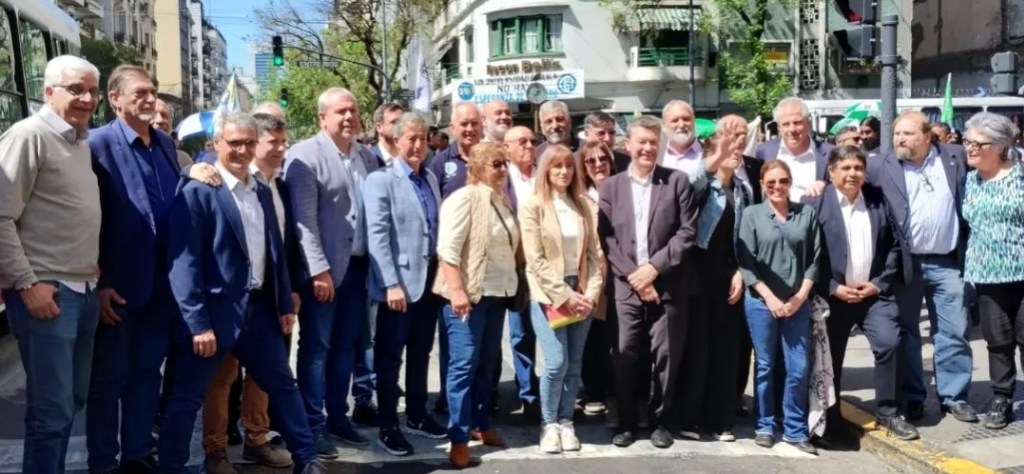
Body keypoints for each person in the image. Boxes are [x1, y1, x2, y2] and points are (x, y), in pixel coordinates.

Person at [160, 112, 325, 474]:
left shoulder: (261, 191)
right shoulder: (199, 192)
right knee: (186, 397)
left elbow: (274, 251)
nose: (242, 150)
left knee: (283, 386)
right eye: (234, 143)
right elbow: (184, 263)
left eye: (249, 143)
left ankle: (306, 459)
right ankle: (172, 467)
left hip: (259, 310)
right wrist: (197, 323)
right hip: (213, 315)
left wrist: (283, 302)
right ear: (216, 144)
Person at [0, 55, 102, 474]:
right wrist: (28, 283)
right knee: (52, 412)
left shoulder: (80, 141)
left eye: (92, 91)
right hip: (48, 293)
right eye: (76, 89)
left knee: (69, 402)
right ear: (48, 91)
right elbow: (1, 215)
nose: (87, 99)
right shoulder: (28, 136)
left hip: (84, 289)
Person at [86, 65, 181, 473]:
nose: (150, 99)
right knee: (109, 380)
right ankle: (103, 462)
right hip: (118, 289)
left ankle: (137, 456)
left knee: (147, 375)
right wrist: (102, 280)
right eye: (140, 92)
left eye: (152, 91)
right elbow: (86, 218)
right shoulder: (96, 145)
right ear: (114, 99)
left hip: (163, 287)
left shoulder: (164, 144)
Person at [197, 113, 303, 473]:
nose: (279, 148)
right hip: (225, 302)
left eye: (283, 141)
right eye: (273, 141)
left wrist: (286, 294)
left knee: (267, 378)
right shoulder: (212, 178)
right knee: (221, 378)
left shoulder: (275, 185)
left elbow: (280, 247)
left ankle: (258, 441)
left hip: (265, 300)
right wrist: (193, 169)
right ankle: (216, 450)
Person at [285, 87, 382, 454]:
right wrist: (318, 271)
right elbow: (304, 223)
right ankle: (312, 424)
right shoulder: (305, 155)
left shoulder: (367, 156)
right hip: (324, 273)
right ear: (321, 117)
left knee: (346, 346)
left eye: (353, 110)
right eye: (341, 111)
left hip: (359, 268)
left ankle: (338, 417)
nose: (349, 117)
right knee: (316, 348)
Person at [866, 111, 976, 423]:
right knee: (906, 333)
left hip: (948, 262)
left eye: (907, 134)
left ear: (927, 136)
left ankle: (954, 396)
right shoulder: (880, 166)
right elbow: (846, 179)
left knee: (954, 331)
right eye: (896, 134)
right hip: (905, 264)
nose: (899, 139)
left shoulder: (955, 157)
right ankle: (913, 396)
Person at [597, 115, 698, 449]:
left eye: (654, 142)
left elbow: (687, 233)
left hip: (668, 285)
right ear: (628, 145)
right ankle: (627, 421)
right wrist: (637, 278)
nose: (647, 148)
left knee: (666, 357)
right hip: (626, 286)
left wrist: (654, 269)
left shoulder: (677, 181)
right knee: (625, 352)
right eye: (641, 142)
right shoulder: (611, 187)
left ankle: (660, 421)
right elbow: (607, 239)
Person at [811, 146, 919, 445]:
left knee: (889, 343)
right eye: (845, 168)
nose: (852, 174)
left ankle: (889, 413)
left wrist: (878, 283)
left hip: (874, 296)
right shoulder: (816, 204)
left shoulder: (877, 200)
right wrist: (832, 287)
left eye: (858, 168)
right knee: (831, 358)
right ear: (831, 171)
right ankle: (830, 419)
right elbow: (809, 254)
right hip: (834, 297)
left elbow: (894, 246)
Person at [363, 112, 448, 455]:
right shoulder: (381, 180)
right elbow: (378, 236)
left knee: (421, 351)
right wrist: (390, 284)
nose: (417, 145)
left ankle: (416, 413)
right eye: (410, 138)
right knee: (389, 357)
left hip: (428, 281)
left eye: (422, 139)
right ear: (396, 140)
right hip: (398, 285)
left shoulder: (429, 177)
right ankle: (388, 425)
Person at [433, 142, 519, 468]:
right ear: (478, 167)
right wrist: (457, 291)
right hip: (467, 297)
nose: (503, 169)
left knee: (487, 363)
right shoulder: (463, 198)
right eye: (496, 164)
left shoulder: (502, 199)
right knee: (464, 365)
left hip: (497, 294)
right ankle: (458, 437)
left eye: (505, 163)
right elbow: (448, 250)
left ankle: (481, 425)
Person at [520, 144, 603, 453]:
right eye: (557, 166)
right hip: (549, 293)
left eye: (569, 166)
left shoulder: (583, 205)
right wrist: (565, 295)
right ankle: (549, 423)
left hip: (581, 290)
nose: (564, 171)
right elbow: (535, 260)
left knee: (574, 363)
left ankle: (566, 421)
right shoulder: (534, 206)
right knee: (556, 362)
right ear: (546, 170)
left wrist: (590, 294)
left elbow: (595, 256)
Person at [674, 115, 753, 442]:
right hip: (697, 273)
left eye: (737, 148)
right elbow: (690, 185)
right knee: (698, 349)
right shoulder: (704, 184)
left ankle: (721, 421)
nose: (734, 152)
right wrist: (717, 157)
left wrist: (740, 272)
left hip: (729, 275)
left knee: (726, 349)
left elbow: (747, 238)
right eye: (725, 148)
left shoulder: (745, 191)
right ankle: (689, 418)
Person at [736, 160, 822, 455]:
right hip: (762, 302)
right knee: (765, 365)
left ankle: (795, 429)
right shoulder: (751, 215)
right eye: (770, 182)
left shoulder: (806, 214)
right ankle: (764, 424)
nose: (777, 187)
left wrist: (799, 297)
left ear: (790, 182)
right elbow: (746, 262)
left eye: (783, 181)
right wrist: (770, 298)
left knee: (798, 367)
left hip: (797, 301)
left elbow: (814, 261)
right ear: (762, 184)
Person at [961, 112, 1024, 430]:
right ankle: (1002, 399)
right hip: (986, 275)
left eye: (978, 143)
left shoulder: (1021, 175)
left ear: (1000, 147)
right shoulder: (969, 179)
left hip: (1022, 273)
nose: (970, 148)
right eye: (967, 141)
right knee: (997, 341)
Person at [500, 125, 541, 416]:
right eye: (522, 141)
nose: (529, 146)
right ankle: (528, 394)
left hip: (545, 266)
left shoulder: (545, 175)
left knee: (551, 331)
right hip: (514, 266)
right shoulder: (502, 178)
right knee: (521, 332)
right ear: (507, 148)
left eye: (532, 141)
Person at [576, 140, 618, 418]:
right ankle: (593, 391)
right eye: (590, 161)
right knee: (594, 337)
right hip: (593, 275)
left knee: (621, 336)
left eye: (602, 158)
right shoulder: (580, 198)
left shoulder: (624, 189)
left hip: (624, 273)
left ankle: (618, 389)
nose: (598, 164)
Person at [756, 97, 833, 202]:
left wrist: (825, 185)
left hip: (815, 212)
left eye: (797, 123)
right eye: (786, 124)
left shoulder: (830, 153)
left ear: (809, 124)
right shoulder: (764, 152)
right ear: (779, 128)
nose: (792, 129)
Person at [430, 102, 482, 198]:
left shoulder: (493, 158)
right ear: (453, 128)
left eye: (474, 123)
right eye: (464, 124)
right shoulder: (439, 162)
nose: (470, 129)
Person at [660, 100, 704, 178]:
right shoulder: (656, 154)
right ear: (664, 125)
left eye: (686, 119)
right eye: (675, 120)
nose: (681, 125)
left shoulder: (708, 153)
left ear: (694, 120)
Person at [152, 98, 194, 167]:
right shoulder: (134, 158)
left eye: (164, 115)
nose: (160, 120)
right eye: (152, 115)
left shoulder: (184, 159)